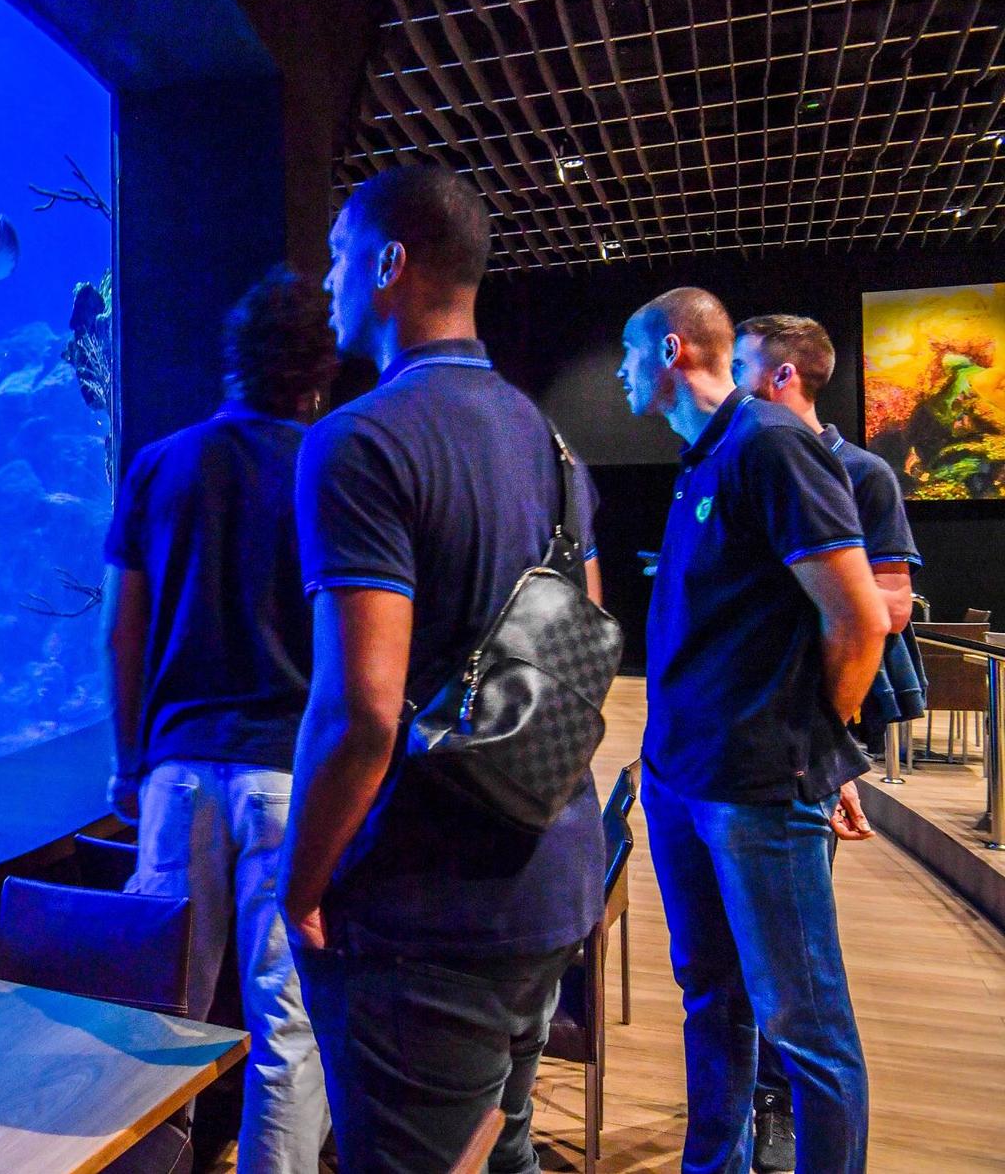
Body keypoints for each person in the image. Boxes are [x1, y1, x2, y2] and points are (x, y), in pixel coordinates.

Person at [278, 165, 606, 1173]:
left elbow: (360, 714)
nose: (325, 278)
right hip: (551, 874)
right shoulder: (552, 446)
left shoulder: (358, 443)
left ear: (388, 264)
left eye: (337, 255)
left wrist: (298, 882)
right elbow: (585, 640)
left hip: (428, 906)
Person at [617, 288, 888, 1174]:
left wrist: (819, 739)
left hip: (759, 791)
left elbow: (860, 621)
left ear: (668, 352)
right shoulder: (707, 455)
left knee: (804, 1025)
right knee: (712, 998)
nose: (618, 376)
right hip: (683, 781)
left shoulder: (770, 443)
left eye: (627, 355)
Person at [103, 267, 338, 1173]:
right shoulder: (333, 465)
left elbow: (121, 634)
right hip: (291, 777)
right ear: (320, 377)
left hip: (178, 773)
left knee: (161, 1009)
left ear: (231, 360)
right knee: (288, 1018)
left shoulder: (161, 464)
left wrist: (130, 762)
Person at [733, 312, 921, 1172]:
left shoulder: (863, 472)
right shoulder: (739, 458)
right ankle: (754, 1101)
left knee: (798, 970)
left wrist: (829, 725)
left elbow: (888, 608)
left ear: (779, 376)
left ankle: (784, 1107)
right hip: (737, 744)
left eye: (739, 364)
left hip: (800, 743)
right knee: (748, 959)